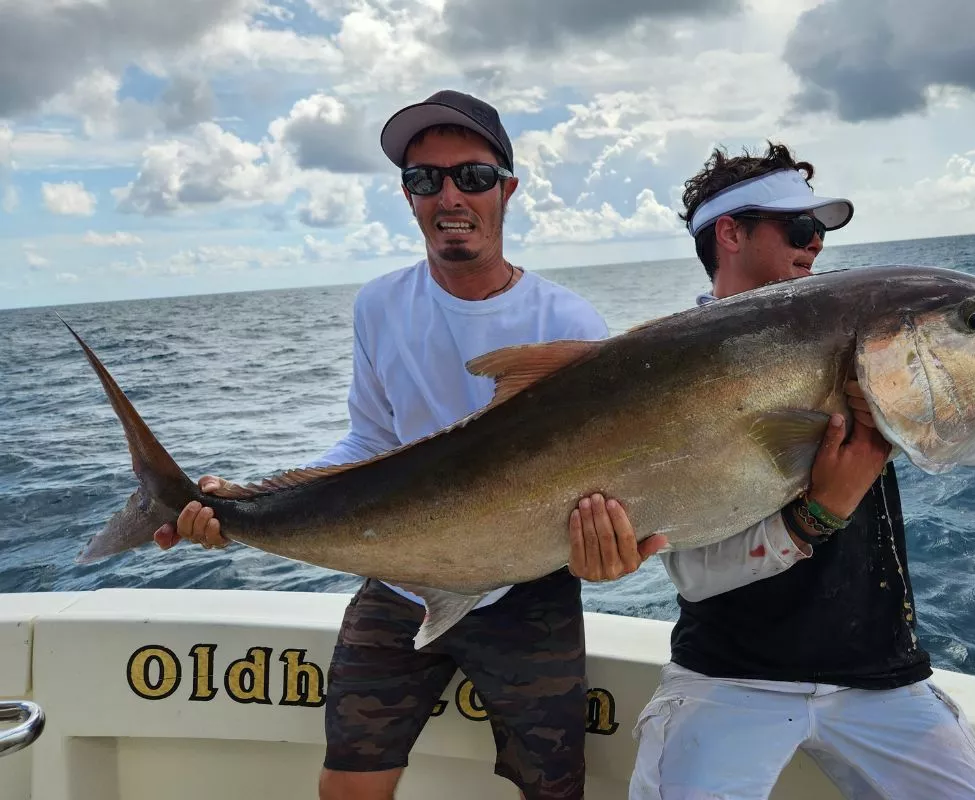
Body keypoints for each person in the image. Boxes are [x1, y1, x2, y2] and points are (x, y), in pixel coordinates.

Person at [152, 89, 664, 800]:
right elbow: (370, 438)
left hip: (524, 588)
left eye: (473, 177)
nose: (450, 195)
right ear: (408, 196)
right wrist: (245, 500)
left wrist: (612, 548)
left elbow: (599, 470)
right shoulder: (379, 304)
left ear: (507, 190)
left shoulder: (566, 318)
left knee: (555, 791)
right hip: (400, 577)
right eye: (427, 179)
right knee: (348, 786)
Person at [593, 142, 975, 799]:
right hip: (728, 677)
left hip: (882, 676)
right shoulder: (661, 370)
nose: (814, 245)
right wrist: (819, 513)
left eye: (818, 231)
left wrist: (900, 407)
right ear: (729, 233)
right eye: (798, 228)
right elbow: (696, 574)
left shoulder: (854, 334)